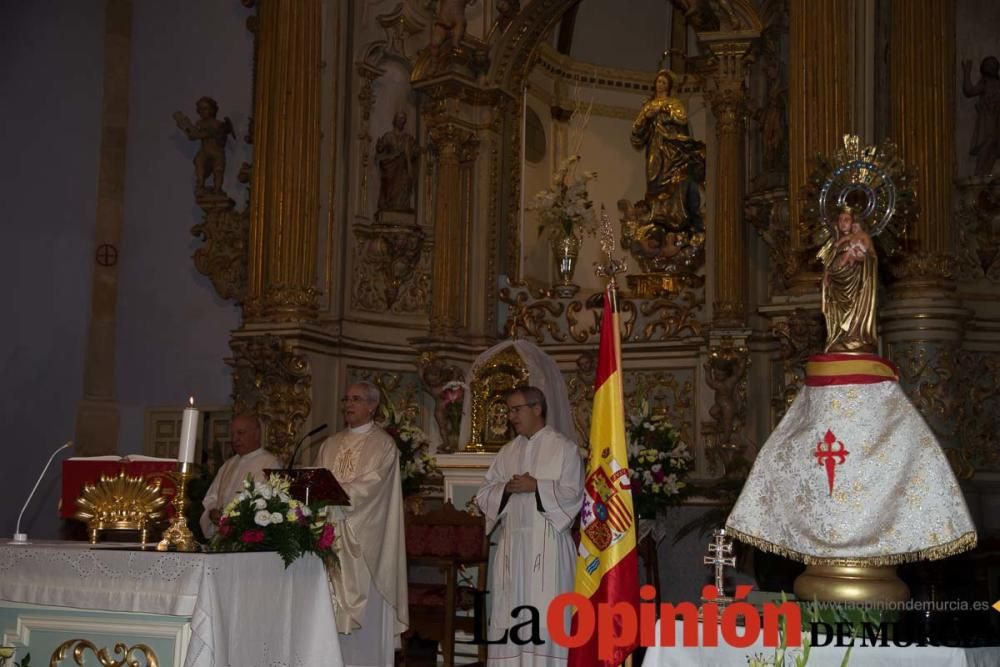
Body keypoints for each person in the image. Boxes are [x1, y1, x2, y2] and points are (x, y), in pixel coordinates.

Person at [475, 386, 584, 666]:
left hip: (550, 548)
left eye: (516, 409)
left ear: (537, 409)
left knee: (548, 617)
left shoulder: (564, 448)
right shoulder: (508, 451)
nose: (511, 417)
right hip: (513, 547)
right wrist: (507, 489)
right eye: (509, 410)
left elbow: (574, 496)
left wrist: (536, 486)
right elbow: (484, 494)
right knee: (511, 616)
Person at [314, 381, 408, 667]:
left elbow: (374, 486)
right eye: (346, 399)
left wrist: (336, 491)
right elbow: (317, 481)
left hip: (364, 543)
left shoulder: (383, 445)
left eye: (356, 399)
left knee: (364, 627)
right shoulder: (329, 444)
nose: (349, 404)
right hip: (330, 539)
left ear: (371, 406)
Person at [630, 69, 705, 231]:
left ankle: (671, 213)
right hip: (654, 145)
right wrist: (646, 117)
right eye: (658, 81)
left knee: (672, 178)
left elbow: (682, 118)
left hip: (671, 147)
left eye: (664, 82)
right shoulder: (649, 105)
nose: (660, 85)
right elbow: (636, 129)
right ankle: (656, 211)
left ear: (669, 86)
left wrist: (664, 110)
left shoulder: (674, 103)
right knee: (653, 176)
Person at [199, 413, 281, 538]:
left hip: (248, 540)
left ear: (257, 434)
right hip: (221, 538)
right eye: (232, 434)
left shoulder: (269, 463)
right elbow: (212, 497)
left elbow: (269, 504)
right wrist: (212, 512)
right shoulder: (228, 465)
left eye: (241, 433)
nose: (234, 439)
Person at [817, 206, 877, 353]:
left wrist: (861, 258)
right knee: (836, 313)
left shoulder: (861, 238)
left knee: (855, 313)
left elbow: (871, 258)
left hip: (856, 286)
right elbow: (828, 263)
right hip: (837, 288)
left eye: (847, 220)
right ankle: (838, 337)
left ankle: (855, 336)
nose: (843, 223)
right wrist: (826, 276)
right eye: (840, 220)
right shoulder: (835, 245)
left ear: (854, 223)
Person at [173, 96, 234, 194]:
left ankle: (217, 189)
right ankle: (200, 184)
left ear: (212, 110)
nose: (202, 111)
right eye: (200, 109)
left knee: (218, 171)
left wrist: (194, 134)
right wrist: (186, 127)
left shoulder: (217, 124)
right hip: (204, 152)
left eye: (205, 108)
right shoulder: (200, 123)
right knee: (199, 161)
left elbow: (205, 134)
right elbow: (193, 136)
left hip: (216, 153)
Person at [961, 56, 1000, 177]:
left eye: (994, 64)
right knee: (988, 141)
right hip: (988, 116)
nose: (992, 66)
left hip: (998, 117)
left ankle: (987, 173)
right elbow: (969, 91)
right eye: (989, 64)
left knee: (995, 144)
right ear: (984, 68)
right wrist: (967, 73)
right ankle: (979, 172)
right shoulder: (985, 82)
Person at [375, 112, 419, 213]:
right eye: (399, 119)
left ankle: (401, 204)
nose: (401, 121)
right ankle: (390, 202)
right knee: (391, 185)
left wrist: (413, 152)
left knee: (404, 185)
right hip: (392, 167)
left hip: (404, 168)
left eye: (403, 119)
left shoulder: (408, 138)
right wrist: (379, 146)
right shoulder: (389, 136)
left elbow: (415, 151)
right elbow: (380, 148)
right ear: (395, 121)